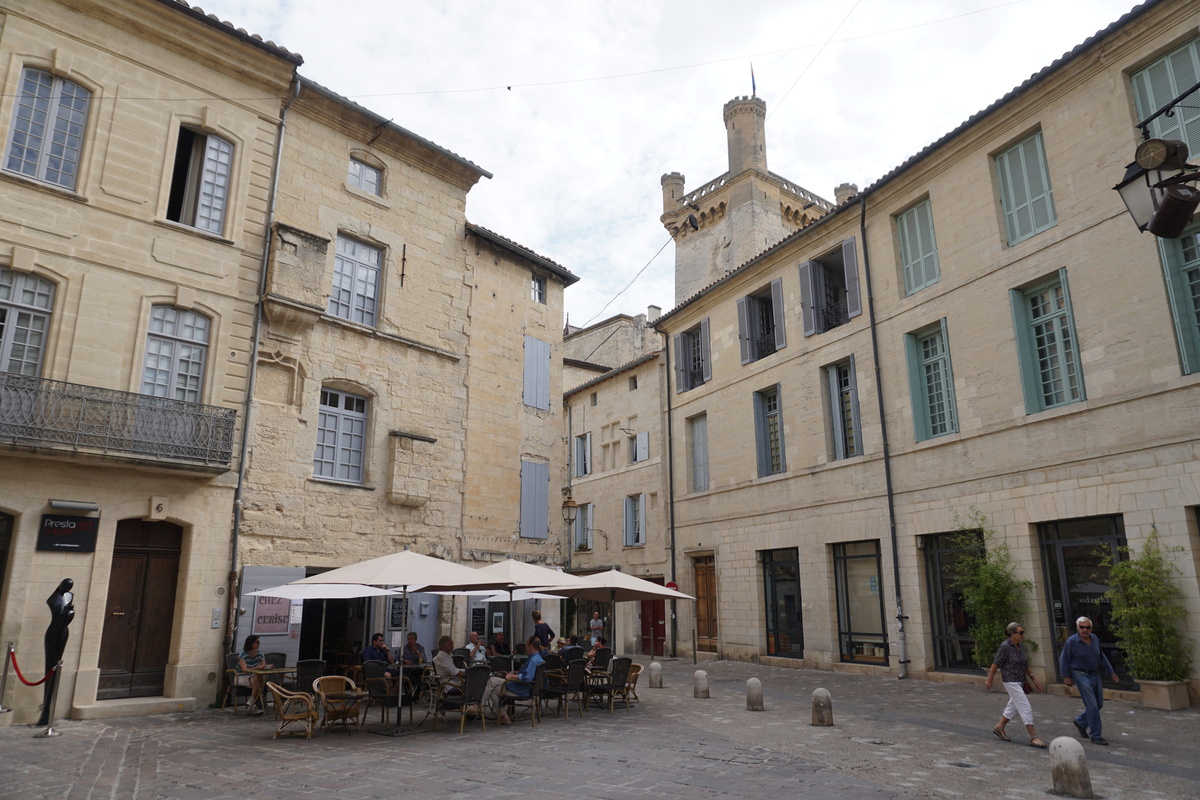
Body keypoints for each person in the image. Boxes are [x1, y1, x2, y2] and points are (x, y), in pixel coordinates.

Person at [985, 622, 1046, 747]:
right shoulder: (1005, 646)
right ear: (1012, 633)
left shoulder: (1020, 646)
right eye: (1021, 632)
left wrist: (1034, 679)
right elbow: (996, 664)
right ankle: (1033, 737)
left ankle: (999, 727)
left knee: (1013, 706)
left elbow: (1025, 665)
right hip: (1010, 680)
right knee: (1025, 706)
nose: (1023, 635)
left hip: (1020, 680)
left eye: (1023, 632)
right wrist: (989, 680)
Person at [1060, 616, 1119, 745]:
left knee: (1099, 704)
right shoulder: (1072, 642)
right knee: (1092, 705)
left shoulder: (1095, 639)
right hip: (1080, 674)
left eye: (1087, 627)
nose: (1085, 630)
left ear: (1091, 628)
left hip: (1095, 674)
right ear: (1077, 628)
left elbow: (1101, 656)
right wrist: (1066, 676)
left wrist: (1111, 671)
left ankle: (1081, 721)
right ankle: (1096, 735)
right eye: (1082, 627)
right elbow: (1064, 659)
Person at [482, 636, 545, 725]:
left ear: (530, 646)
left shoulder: (533, 660)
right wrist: (516, 672)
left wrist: (512, 676)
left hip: (522, 689)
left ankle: (480, 706)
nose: (525, 647)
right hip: (528, 688)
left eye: (526, 645)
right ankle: (503, 716)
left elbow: (528, 678)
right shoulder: (538, 658)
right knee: (493, 687)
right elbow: (529, 673)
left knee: (492, 682)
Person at [237, 634, 267, 715]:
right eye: (257, 642)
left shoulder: (259, 653)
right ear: (251, 643)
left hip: (253, 676)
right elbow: (245, 670)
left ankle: (252, 700)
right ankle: (258, 706)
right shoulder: (243, 654)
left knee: (258, 678)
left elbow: (264, 665)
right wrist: (258, 667)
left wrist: (258, 668)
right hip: (242, 676)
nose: (259, 643)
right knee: (259, 683)